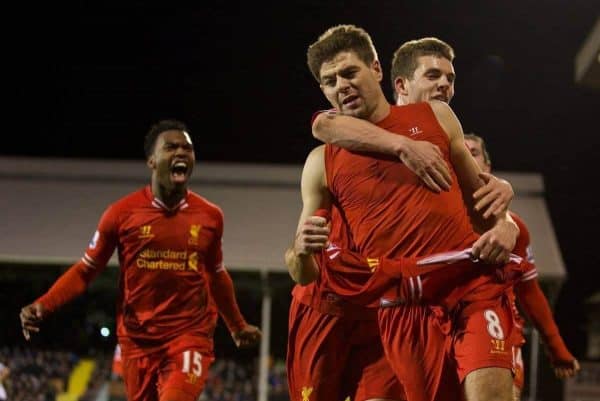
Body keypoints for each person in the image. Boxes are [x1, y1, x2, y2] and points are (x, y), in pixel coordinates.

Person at [289, 25, 524, 401]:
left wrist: (506, 225)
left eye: (350, 73)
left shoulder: (436, 116)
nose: (342, 85)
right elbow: (303, 271)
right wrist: (299, 249)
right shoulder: (321, 161)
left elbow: (481, 202)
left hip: (469, 285)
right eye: (330, 81)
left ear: (377, 70)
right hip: (402, 304)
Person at [20, 119, 262, 401]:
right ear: (151, 161)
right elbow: (86, 270)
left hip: (189, 336)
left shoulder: (210, 216)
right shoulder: (121, 214)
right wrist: (44, 304)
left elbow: (216, 274)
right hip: (138, 340)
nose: (182, 153)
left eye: (188, 148)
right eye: (171, 147)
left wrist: (236, 325)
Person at [464, 133, 580, 400]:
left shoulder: (513, 228)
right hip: (441, 329)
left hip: (497, 332)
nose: (467, 157)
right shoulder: (430, 217)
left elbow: (530, 291)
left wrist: (557, 349)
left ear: (487, 167)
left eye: (474, 152)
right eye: (461, 152)